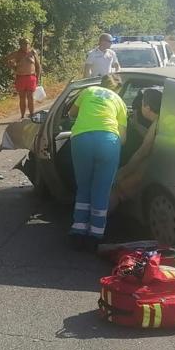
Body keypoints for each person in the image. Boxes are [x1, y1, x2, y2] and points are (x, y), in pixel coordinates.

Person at [67, 73, 127, 249]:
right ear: (118, 89)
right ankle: (96, 234)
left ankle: (78, 231)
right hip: (108, 141)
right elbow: (123, 138)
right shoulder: (120, 102)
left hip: (82, 139)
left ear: (102, 83)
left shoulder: (89, 90)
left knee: (84, 185)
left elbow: (71, 113)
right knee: (101, 189)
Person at [110, 87, 163, 213]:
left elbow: (143, 151)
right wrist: (136, 125)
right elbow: (152, 138)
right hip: (163, 166)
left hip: (155, 168)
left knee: (117, 188)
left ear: (148, 108)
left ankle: (99, 223)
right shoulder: (162, 119)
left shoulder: (158, 123)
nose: (140, 107)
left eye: (142, 104)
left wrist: (124, 171)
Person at [6, 37, 43, 119]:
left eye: (27, 43)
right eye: (24, 43)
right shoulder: (17, 53)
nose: (26, 45)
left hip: (31, 77)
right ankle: (22, 115)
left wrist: (38, 77)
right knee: (22, 97)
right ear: (20, 45)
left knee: (30, 97)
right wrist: (13, 67)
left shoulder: (33, 53)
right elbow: (6, 59)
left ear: (29, 44)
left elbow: (38, 66)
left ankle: (32, 115)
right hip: (20, 77)